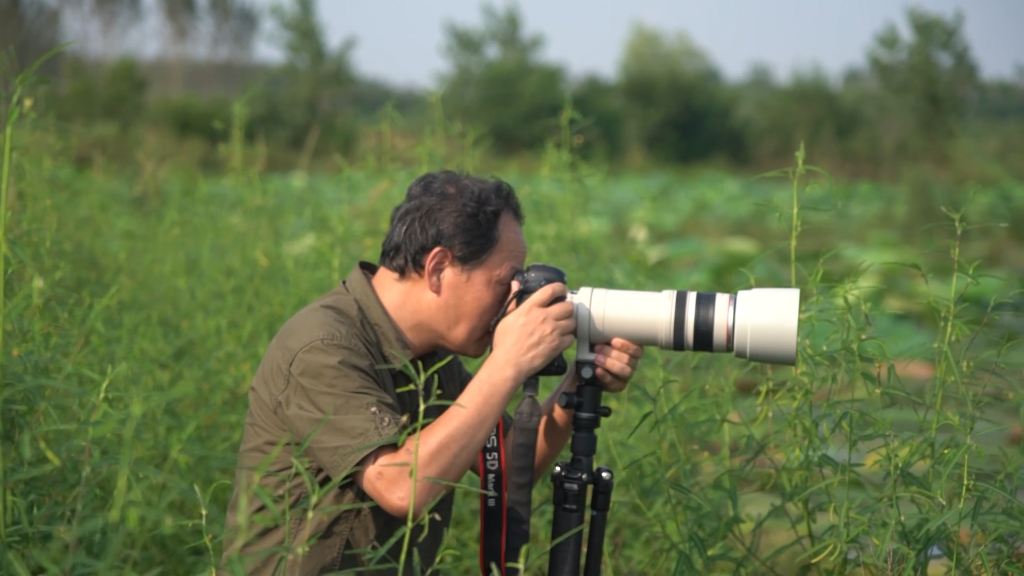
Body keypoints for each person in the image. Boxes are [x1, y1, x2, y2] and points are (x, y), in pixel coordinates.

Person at [218, 170, 644, 576]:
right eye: (505, 283)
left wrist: (580, 380)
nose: (513, 301)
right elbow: (401, 488)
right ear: (438, 268)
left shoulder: (428, 354)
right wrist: (507, 363)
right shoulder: (323, 347)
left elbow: (510, 462)